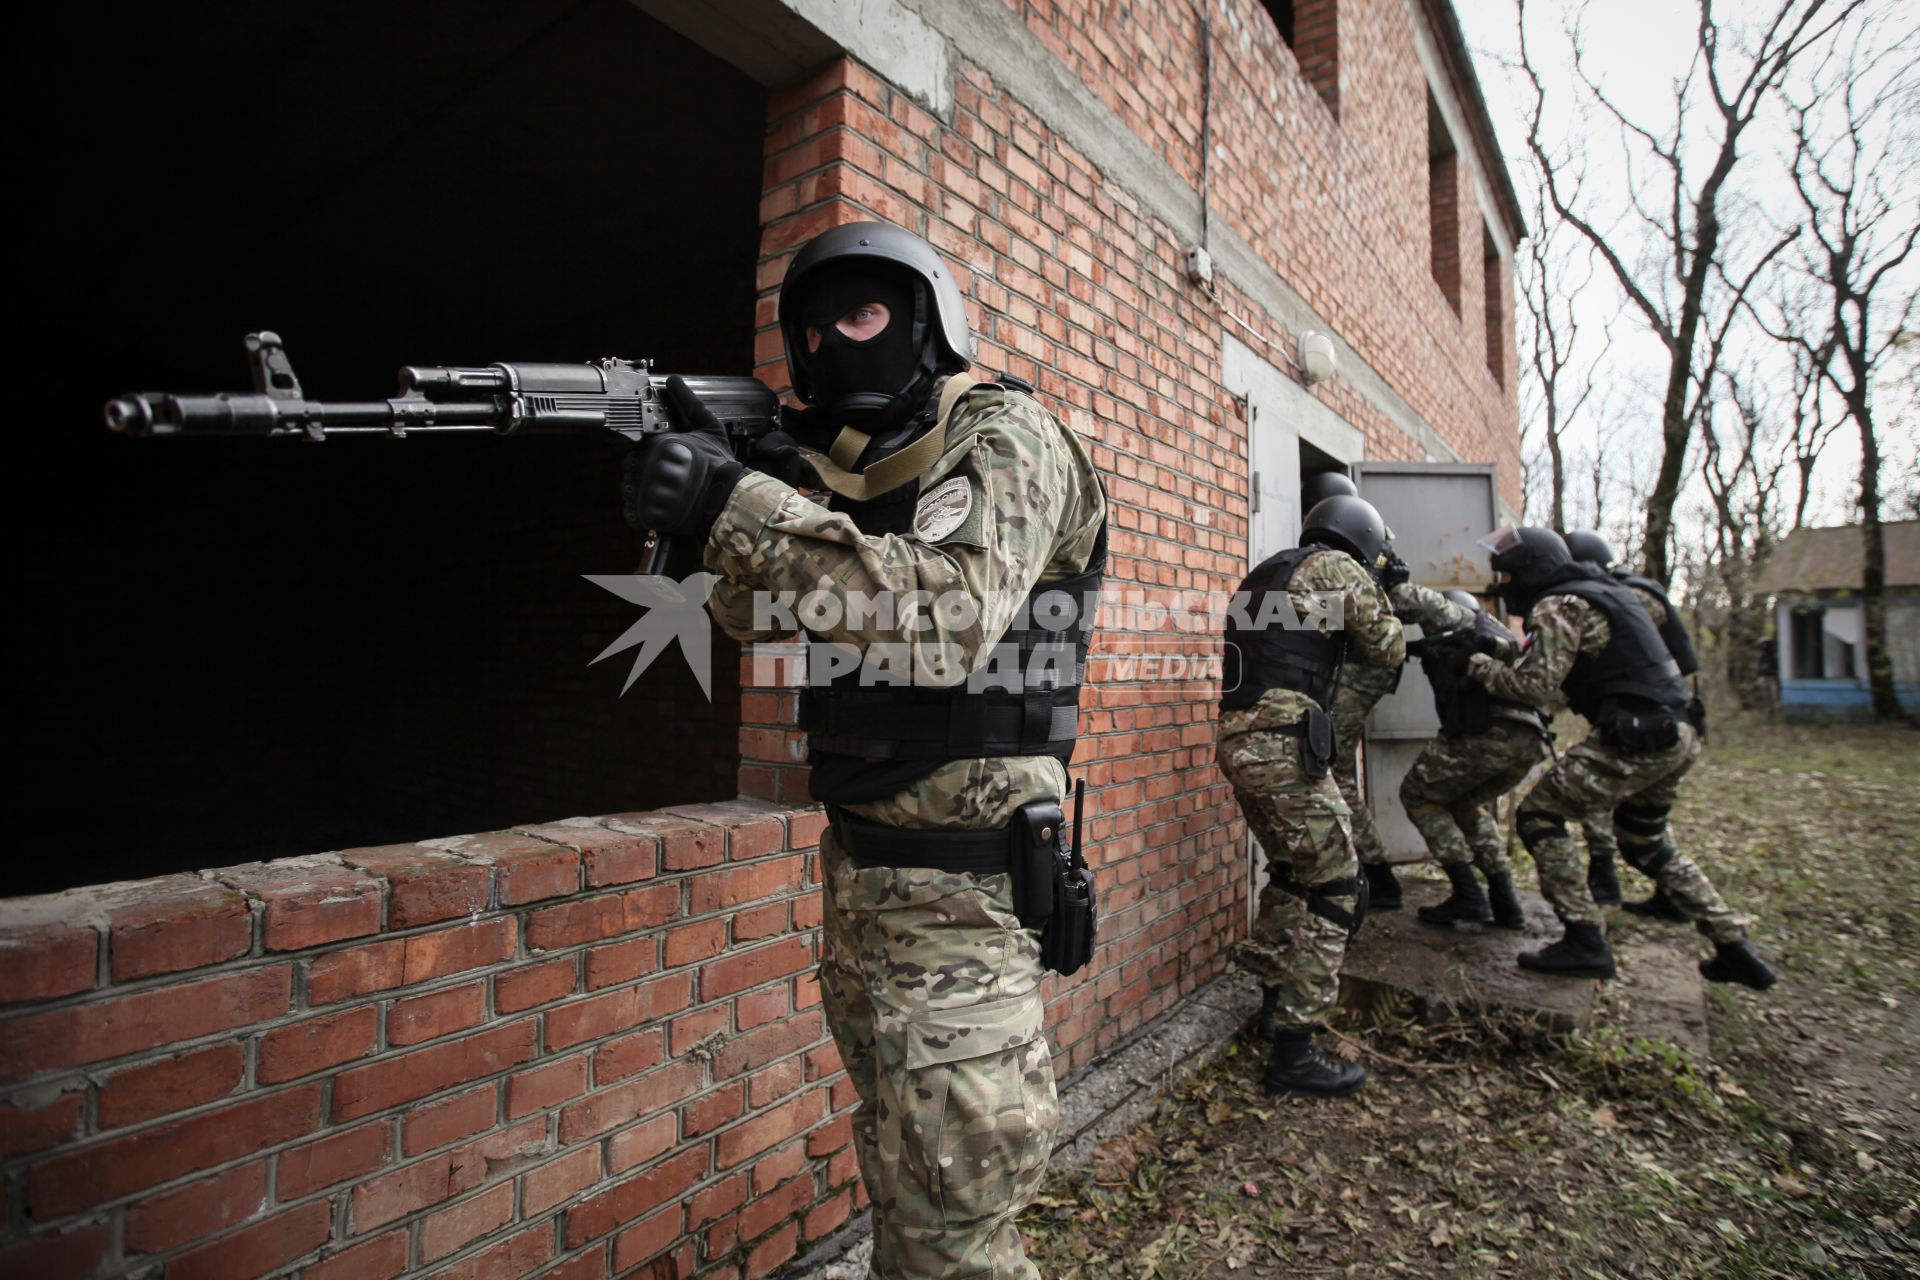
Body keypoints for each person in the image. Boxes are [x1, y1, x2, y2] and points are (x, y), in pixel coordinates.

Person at [626, 220, 1107, 1280]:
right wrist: (737, 492)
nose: (835, 343)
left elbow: (952, 618)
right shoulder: (853, 475)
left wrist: (733, 501)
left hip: (967, 907)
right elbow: (759, 617)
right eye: (813, 328)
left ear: (930, 320)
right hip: (866, 886)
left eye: (863, 314)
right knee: (910, 1198)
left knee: (957, 1240)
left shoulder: (1009, 436)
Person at [1467, 528, 1774, 990]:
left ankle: (1584, 939)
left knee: (1538, 816)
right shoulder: (1609, 592)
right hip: (1678, 731)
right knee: (1645, 841)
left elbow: (1532, 687)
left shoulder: (1558, 604)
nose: (1502, 585)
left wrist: (1478, 664)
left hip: (1637, 737)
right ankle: (1733, 944)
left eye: (1508, 574)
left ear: (1532, 572)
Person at [1219, 495, 1406, 1097]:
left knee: (1295, 875)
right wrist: (1386, 590)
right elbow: (1388, 649)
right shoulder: (1337, 569)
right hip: (1283, 744)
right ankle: (1295, 1049)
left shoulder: (1268, 570)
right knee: (1337, 887)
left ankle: (1272, 1000)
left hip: (1241, 740)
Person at [1564, 530, 1699, 923]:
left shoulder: (1627, 597)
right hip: (1650, 715)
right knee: (1642, 813)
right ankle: (1666, 893)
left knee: (1609, 800)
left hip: (1646, 719)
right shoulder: (1635, 589)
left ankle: (1607, 878)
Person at [1398, 588, 1546, 929]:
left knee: (1417, 796)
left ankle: (1468, 895)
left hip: (1486, 734)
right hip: (1527, 739)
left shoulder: (1455, 627)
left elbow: (1407, 602)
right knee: (1464, 804)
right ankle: (1506, 902)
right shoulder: (1490, 631)